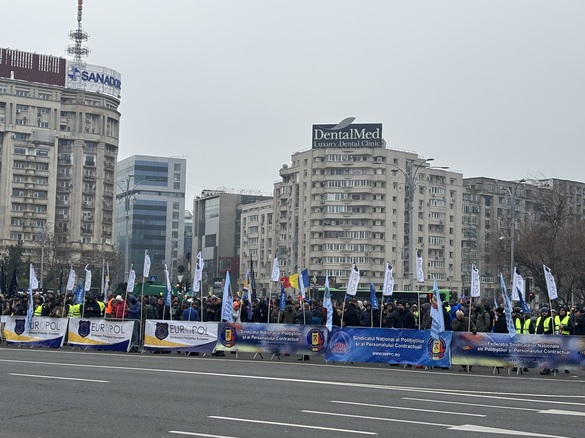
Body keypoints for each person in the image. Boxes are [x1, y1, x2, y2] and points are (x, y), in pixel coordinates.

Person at [536, 307, 554, 375]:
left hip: (547, 339)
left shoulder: (550, 319)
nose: (544, 313)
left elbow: (552, 329)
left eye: (545, 312)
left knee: (547, 354)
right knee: (543, 354)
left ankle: (546, 368)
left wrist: (544, 333)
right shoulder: (539, 319)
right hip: (540, 338)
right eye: (543, 312)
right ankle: (547, 368)